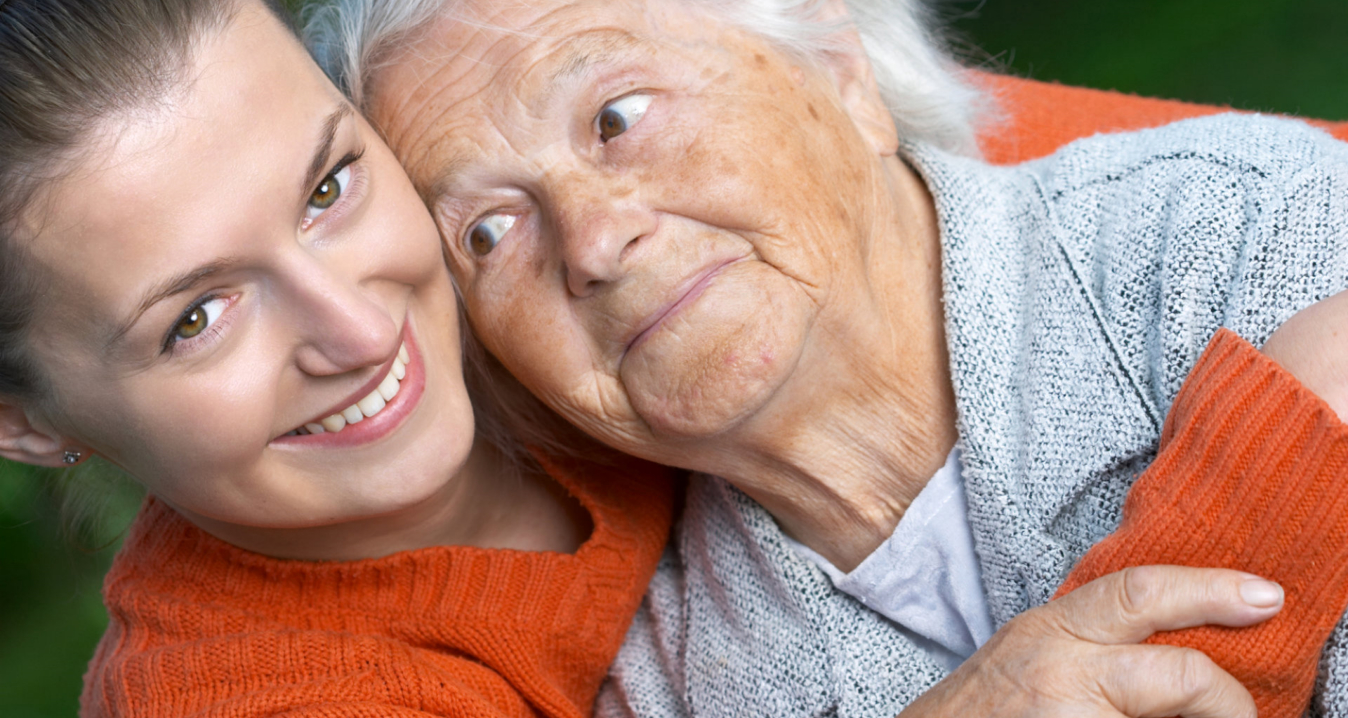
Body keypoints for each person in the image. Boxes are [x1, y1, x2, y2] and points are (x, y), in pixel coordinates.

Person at [0, 1, 1327, 717]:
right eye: (196, 318)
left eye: (331, 186)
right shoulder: (256, 697)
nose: (359, 331)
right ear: (26, 417)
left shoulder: (598, 237)